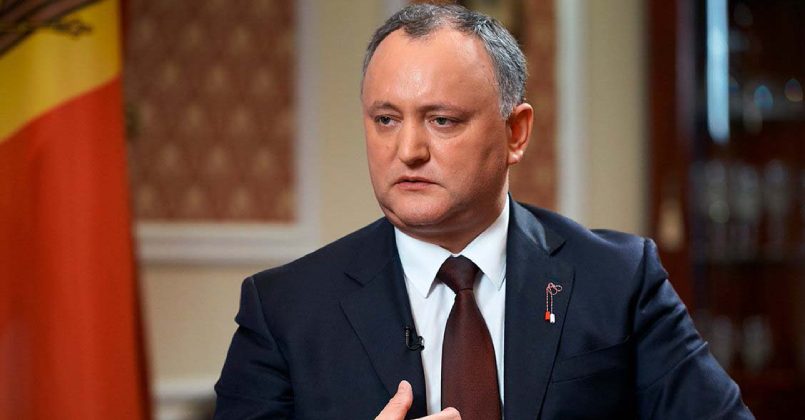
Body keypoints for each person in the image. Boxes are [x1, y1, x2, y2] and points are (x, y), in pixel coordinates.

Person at [214, 3, 753, 419]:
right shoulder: (284, 310)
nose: (408, 151)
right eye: (385, 120)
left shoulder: (618, 281)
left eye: (441, 120)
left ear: (516, 133)